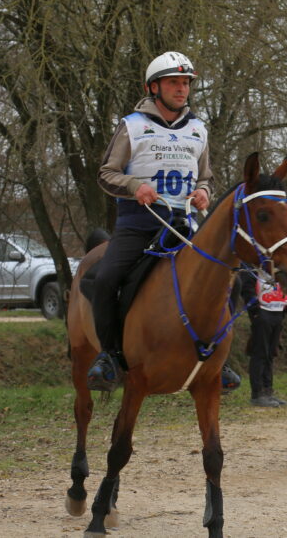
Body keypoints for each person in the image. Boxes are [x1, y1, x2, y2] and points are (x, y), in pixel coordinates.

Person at [86, 51, 214, 391]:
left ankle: (217, 360)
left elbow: (205, 177)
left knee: (227, 278)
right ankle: (109, 357)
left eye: (186, 83)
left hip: (184, 224)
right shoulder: (132, 126)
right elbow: (105, 174)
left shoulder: (199, 129)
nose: (181, 89)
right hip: (139, 222)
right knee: (106, 279)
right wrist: (134, 185)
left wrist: (203, 192)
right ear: (153, 87)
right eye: (174, 82)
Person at [238, 270, 287, 407]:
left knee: (270, 354)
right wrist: (256, 312)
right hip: (262, 314)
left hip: (278, 313)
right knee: (260, 354)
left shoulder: (278, 268)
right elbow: (246, 290)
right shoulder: (251, 270)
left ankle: (268, 391)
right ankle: (257, 394)